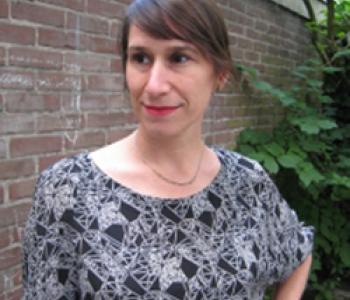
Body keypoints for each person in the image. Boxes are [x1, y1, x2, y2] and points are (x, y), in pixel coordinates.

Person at [22, 0, 314, 299]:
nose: (154, 85)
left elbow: (298, 252)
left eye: (179, 57)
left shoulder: (248, 182)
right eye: (140, 58)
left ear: (221, 74)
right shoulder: (69, 191)